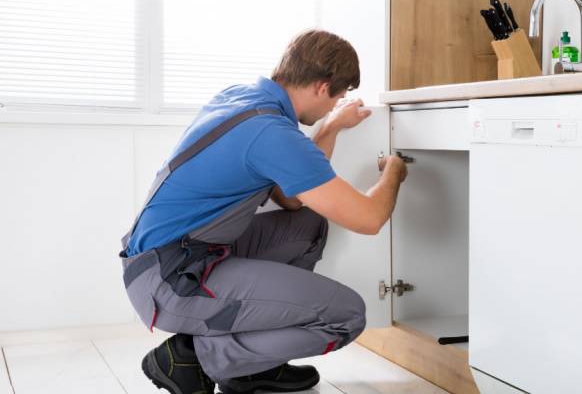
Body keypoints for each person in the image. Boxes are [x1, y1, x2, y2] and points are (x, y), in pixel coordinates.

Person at [119, 29, 408, 394]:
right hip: (173, 281)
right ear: (322, 86)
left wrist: (331, 126)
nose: (335, 105)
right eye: (338, 97)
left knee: (307, 225)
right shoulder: (270, 132)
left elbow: (291, 199)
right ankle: (193, 357)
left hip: (168, 259)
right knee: (347, 316)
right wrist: (395, 171)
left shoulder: (244, 100)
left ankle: (251, 367)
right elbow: (369, 219)